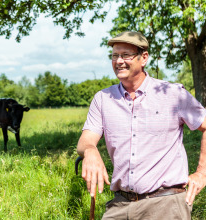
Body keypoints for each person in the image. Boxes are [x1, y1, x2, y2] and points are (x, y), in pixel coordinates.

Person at [77, 31, 206, 219]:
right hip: (120, 204)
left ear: (143, 58)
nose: (119, 61)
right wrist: (89, 151)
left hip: (166, 204)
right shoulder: (103, 99)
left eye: (125, 55)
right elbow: (85, 140)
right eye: (114, 56)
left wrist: (202, 173)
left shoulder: (172, 93)